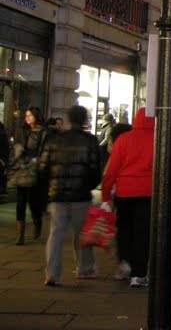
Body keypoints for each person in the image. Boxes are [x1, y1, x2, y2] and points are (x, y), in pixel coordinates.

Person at [37, 105, 101, 286]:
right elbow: (95, 169)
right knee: (82, 233)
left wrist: (52, 184)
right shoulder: (89, 141)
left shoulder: (54, 140)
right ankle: (84, 268)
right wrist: (88, 186)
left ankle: (52, 274)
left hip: (57, 195)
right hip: (81, 195)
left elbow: (42, 168)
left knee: (56, 234)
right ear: (84, 120)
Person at [102, 107, 154, 288]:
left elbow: (111, 170)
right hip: (148, 193)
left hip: (124, 193)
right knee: (143, 234)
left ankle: (125, 261)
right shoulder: (158, 139)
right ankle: (139, 274)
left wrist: (105, 194)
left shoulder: (124, 139)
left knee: (124, 230)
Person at [11, 106, 48, 245]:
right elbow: (17, 145)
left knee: (33, 202)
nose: (27, 118)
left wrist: (37, 161)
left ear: (36, 116)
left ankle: (37, 221)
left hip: (35, 169)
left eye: (30, 115)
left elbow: (44, 150)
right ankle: (20, 234)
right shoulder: (23, 130)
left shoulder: (43, 132)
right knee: (20, 201)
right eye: (26, 115)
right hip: (23, 168)